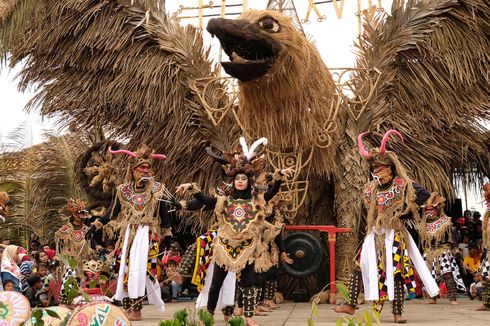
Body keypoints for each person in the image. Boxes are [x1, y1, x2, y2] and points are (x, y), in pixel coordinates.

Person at [176, 137, 294, 326]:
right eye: (237, 178)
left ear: (249, 181)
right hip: (224, 248)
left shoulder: (257, 201)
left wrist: (279, 177)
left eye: (243, 179)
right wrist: (192, 188)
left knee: (248, 284)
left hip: (247, 248)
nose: (240, 181)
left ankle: (248, 317)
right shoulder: (224, 200)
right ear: (234, 180)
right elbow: (206, 201)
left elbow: (271, 193)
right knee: (215, 284)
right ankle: (209, 316)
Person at [333, 130, 438, 324]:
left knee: (395, 272)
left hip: (394, 236)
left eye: (380, 167)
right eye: (373, 168)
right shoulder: (370, 188)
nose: (376, 170)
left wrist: (403, 212)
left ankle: (397, 313)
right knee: (359, 266)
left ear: (390, 168)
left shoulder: (402, 185)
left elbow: (424, 196)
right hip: (374, 235)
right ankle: (350, 305)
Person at [92, 144, 173, 320]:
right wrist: (95, 225)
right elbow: (111, 212)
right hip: (128, 234)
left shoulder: (157, 189)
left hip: (148, 232)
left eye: (147, 167)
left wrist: (167, 235)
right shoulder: (123, 190)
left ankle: (136, 309)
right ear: (133, 170)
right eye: (141, 167)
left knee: (141, 270)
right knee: (125, 269)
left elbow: (164, 213)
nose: (145, 170)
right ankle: (130, 307)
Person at [421, 192, 465, 305]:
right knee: (430, 275)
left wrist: (455, 249)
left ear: (437, 210)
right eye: (427, 210)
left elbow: (452, 237)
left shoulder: (445, 222)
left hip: (443, 251)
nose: (429, 213)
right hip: (429, 252)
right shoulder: (423, 224)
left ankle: (453, 298)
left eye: (432, 210)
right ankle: (433, 297)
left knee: (447, 274)